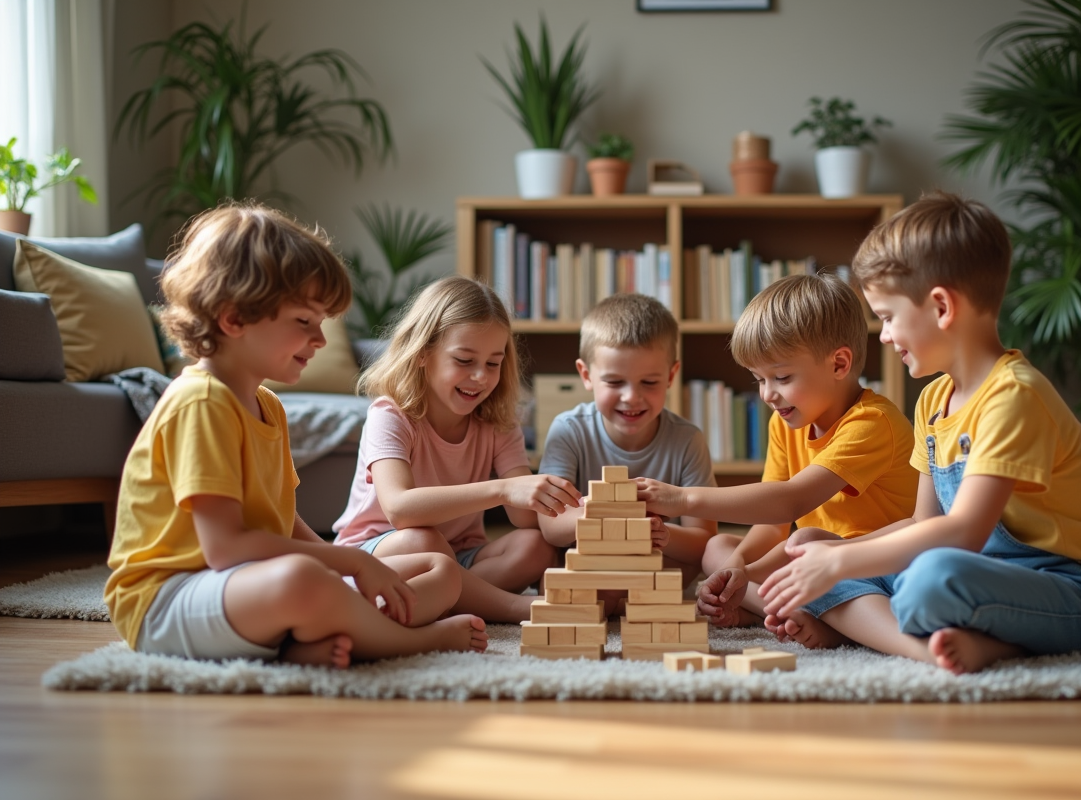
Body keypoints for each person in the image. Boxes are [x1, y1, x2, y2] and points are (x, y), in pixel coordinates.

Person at [757, 192, 1081, 674]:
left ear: (940, 307)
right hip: (981, 576)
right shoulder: (934, 401)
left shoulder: (1012, 396)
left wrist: (840, 566)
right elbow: (922, 523)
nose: (885, 335)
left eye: (889, 317)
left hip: (1076, 594)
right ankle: (943, 644)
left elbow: (963, 531)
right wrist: (831, 555)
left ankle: (924, 638)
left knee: (928, 579)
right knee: (810, 542)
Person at [104, 203, 487, 670]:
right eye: (304, 322)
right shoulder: (201, 403)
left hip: (246, 588)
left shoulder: (268, 406)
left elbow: (283, 520)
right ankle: (407, 641)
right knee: (305, 579)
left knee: (440, 570)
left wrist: (347, 562)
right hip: (167, 600)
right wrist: (350, 565)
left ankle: (301, 643)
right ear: (233, 318)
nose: (321, 339)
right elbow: (225, 549)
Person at [638, 274, 917, 647]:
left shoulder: (872, 422)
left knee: (805, 540)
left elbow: (791, 499)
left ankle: (822, 619)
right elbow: (773, 525)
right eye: (758, 379)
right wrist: (739, 568)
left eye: (782, 377)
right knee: (718, 551)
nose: (768, 394)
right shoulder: (786, 420)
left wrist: (683, 498)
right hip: (809, 560)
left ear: (839, 364)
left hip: (876, 567)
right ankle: (799, 612)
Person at [333, 276, 578, 623]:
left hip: (459, 556)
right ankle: (506, 606)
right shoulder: (390, 415)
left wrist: (553, 499)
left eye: (493, 363)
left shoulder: (498, 422)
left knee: (534, 546)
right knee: (421, 541)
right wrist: (504, 489)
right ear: (422, 354)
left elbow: (524, 518)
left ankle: (442, 598)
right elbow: (400, 511)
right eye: (464, 360)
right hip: (384, 552)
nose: (480, 376)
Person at [537, 294, 718, 597]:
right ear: (586, 375)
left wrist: (665, 533)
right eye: (614, 382)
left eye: (649, 382)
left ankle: (622, 600)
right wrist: (610, 512)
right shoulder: (568, 430)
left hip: (656, 565)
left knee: (692, 561)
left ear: (671, 375)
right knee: (552, 570)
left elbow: (704, 540)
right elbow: (551, 528)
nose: (631, 397)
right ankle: (616, 600)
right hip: (590, 561)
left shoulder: (687, 440)